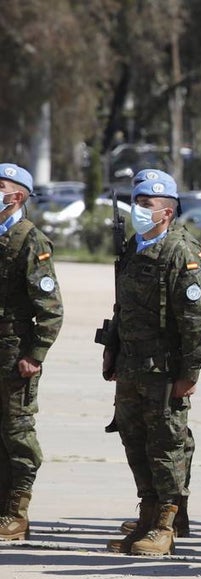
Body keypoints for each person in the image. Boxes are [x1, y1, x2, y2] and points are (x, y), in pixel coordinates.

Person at [105, 172, 201, 555]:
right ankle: (147, 515)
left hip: (164, 371)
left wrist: (189, 370)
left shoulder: (179, 253)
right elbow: (123, 308)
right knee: (135, 442)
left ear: (167, 212)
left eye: (146, 204)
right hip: (132, 366)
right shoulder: (133, 247)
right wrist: (113, 351)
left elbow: (199, 319)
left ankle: (165, 525)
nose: (137, 210)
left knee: (166, 447)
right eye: (136, 202)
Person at [0, 163, 63, 541]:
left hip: (14, 355)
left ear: (17, 196)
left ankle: (17, 513)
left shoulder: (30, 241)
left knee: (17, 433)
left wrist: (35, 354)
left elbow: (51, 309)